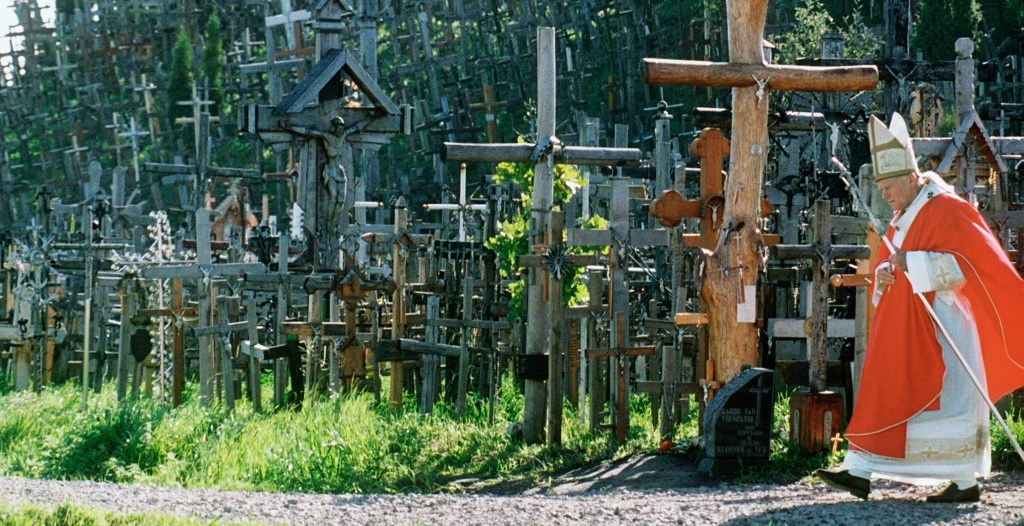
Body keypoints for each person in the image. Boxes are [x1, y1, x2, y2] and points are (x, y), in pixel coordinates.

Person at [817, 113, 1024, 502]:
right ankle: (859, 469)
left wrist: (912, 263)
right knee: (887, 389)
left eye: (888, 188)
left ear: (911, 177)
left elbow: (967, 268)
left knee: (951, 400)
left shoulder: (948, 208)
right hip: (906, 325)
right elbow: (891, 260)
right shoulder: (905, 213)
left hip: (946, 327)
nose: (885, 197)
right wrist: (885, 272)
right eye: (881, 189)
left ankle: (963, 481)